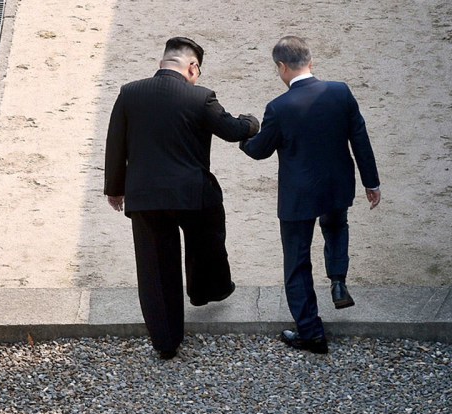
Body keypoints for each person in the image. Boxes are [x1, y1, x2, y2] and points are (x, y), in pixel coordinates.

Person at [104, 37, 259, 360]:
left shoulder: (129, 93)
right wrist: (251, 123)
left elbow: (115, 144)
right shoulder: (200, 97)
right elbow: (232, 130)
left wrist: (115, 189)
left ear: (162, 63)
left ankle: (166, 342)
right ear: (192, 67)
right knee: (207, 236)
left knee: (155, 269)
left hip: (145, 197)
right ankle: (206, 290)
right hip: (192, 194)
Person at [240, 36, 381, 354]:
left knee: (297, 260)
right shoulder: (340, 92)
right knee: (336, 227)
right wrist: (371, 183)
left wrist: (244, 137)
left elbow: (260, 150)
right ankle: (338, 280)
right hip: (336, 185)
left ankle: (311, 333)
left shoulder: (278, 107)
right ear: (311, 61)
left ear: (281, 66)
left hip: (299, 195)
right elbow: (360, 139)